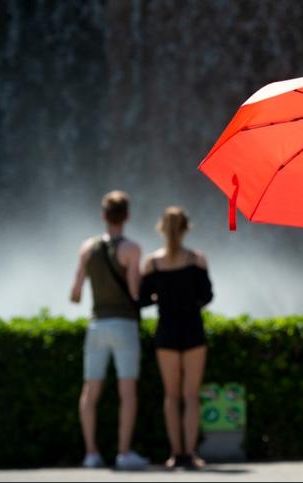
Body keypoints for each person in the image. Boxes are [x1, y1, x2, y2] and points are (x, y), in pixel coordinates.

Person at [69, 190, 149, 470]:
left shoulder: (87, 248)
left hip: (97, 324)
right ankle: (124, 452)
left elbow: (75, 293)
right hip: (124, 324)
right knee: (127, 391)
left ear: (104, 216)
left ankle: (91, 453)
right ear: (126, 216)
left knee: (91, 391)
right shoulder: (132, 249)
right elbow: (135, 291)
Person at [139, 207, 213, 470]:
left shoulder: (152, 263)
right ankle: (191, 453)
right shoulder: (196, 260)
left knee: (171, 396)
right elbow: (207, 296)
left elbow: (142, 299)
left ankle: (174, 454)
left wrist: (162, 297)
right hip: (192, 328)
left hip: (166, 330)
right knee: (191, 395)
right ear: (185, 229)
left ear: (162, 228)